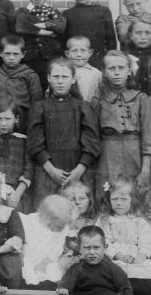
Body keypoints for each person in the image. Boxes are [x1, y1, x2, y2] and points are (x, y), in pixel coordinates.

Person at [27, 58, 100, 212]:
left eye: (65, 77)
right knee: (47, 213)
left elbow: (92, 142)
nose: (60, 81)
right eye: (56, 77)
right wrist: (51, 170)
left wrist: (78, 171)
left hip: (77, 170)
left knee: (77, 212)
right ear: (48, 78)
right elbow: (34, 143)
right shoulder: (39, 107)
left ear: (73, 79)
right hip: (48, 170)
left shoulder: (83, 107)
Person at [95, 50, 151, 206]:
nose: (116, 73)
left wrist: (146, 168)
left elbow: (148, 136)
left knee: (137, 197)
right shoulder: (99, 100)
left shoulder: (141, 98)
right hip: (108, 152)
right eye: (111, 68)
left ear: (129, 71)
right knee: (108, 197)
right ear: (104, 72)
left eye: (121, 68)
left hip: (134, 153)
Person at [97, 177, 151, 295]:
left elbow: (146, 242)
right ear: (108, 200)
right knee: (114, 274)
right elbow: (102, 241)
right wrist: (116, 255)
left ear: (132, 200)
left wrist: (141, 256)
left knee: (145, 271)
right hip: (114, 258)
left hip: (135, 257)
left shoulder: (139, 221)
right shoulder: (105, 220)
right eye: (115, 199)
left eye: (124, 199)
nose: (119, 203)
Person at [15, 0, 67, 89]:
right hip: (30, 59)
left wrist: (43, 24)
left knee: (49, 86)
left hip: (51, 58)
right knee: (31, 87)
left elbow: (61, 24)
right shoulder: (23, 12)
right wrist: (46, 32)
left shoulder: (53, 11)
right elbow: (21, 27)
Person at [0, 34, 43, 133]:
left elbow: (37, 101)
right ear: (0, 53)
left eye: (15, 54)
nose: (11, 58)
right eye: (7, 53)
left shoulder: (30, 75)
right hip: (1, 119)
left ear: (23, 54)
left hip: (22, 119)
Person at [62, 0, 117, 69]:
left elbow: (111, 42)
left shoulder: (103, 11)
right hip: (75, 63)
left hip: (98, 61)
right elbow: (63, 43)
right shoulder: (67, 14)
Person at [21, 195, 74, 290]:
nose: (60, 230)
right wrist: (31, 269)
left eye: (63, 227)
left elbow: (54, 254)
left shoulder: (63, 228)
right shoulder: (28, 222)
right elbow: (22, 250)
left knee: (50, 279)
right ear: (48, 218)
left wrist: (40, 268)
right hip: (24, 261)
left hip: (45, 264)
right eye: (58, 226)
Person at [123, 19, 151, 96]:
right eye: (138, 33)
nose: (143, 37)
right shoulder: (124, 57)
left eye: (148, 33)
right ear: (131, 35)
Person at [65, 35, 101, 104]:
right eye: (74, 51)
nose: (79, 54)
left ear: (90, 53)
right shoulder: (63, 72)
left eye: (83, 50)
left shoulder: (96, 73)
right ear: (67, 54)